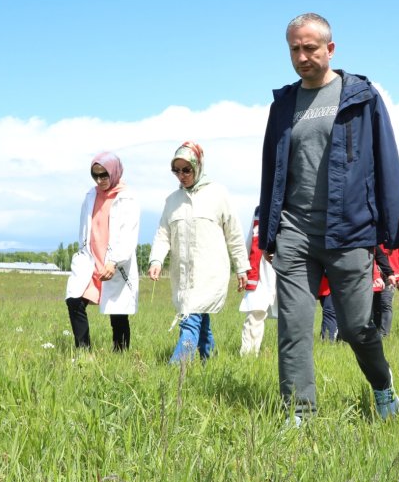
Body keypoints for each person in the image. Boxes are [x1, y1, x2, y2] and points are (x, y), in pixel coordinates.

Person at [258, 12, 399, 422]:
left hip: (350, 229)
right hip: (295, 230)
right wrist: (268, 233)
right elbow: (272, 169)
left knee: (358, 327)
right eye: (294, 49)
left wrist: (394, 233)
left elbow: (386, 161)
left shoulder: (360, 95)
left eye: (310, 48)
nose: (302, 56)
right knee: (293, 328)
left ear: (330, 48)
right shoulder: (285, 103)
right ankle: (299, 413)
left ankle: (382, 385)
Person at [148, 141, 248, 364]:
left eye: (187, 169)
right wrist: (156, 259)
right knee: (198, 316)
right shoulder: (172, 201)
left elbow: (234, 233)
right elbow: (163, 233)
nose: (181, 175)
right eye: (177, 170)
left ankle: (177, 368)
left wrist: (242, 267)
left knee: (190, 317)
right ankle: (209, 359)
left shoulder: (218, 194)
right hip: (182, 273)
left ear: (198, 165)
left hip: (209, 271)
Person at [64, 152, 139, 351]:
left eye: (104, 175)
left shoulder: (127, 198)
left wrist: (114, 261)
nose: (100, 180)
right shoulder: (91, 195)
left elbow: (128, 234)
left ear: (114, 172)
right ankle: (83, 351)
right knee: (74, 301)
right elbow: (84, 229)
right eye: (95, 175)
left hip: (115, 262)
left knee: (118, 312)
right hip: (91, 259)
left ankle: (120, 355)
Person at [240, 208, 277, 356]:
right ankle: (248, 356)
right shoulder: (259, 211)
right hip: (260, 270)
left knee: (291, 318)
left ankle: (289, 357)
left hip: (283, 269)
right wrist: (242, 266)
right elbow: (250, 239)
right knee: (255, 314)